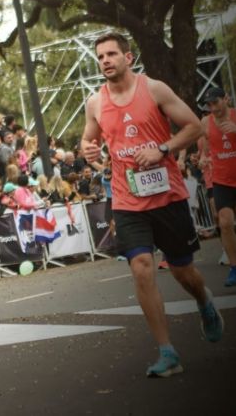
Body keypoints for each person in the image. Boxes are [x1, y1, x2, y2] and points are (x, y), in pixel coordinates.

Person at [81, 31, 223, 378]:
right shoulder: (95, 102)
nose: (105, 61)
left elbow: (193, 128)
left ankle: (204, 301)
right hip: (127, 200)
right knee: (141, 265)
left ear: (128, 58)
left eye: (112, 54)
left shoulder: (154, 89)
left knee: (181, 269)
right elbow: (88, 139)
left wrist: (162, 149)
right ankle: (167, 352)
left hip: (167, 195)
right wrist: (86, 149)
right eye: (100, 56)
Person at [199, 86, 236, 286]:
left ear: (226, 99)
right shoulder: (205, 122)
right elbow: (203, 141)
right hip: (223, 181)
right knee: (225, 221)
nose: (213, 108)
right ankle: (235, 269)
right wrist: (203, 156)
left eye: (216, 102)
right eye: (209, 105)